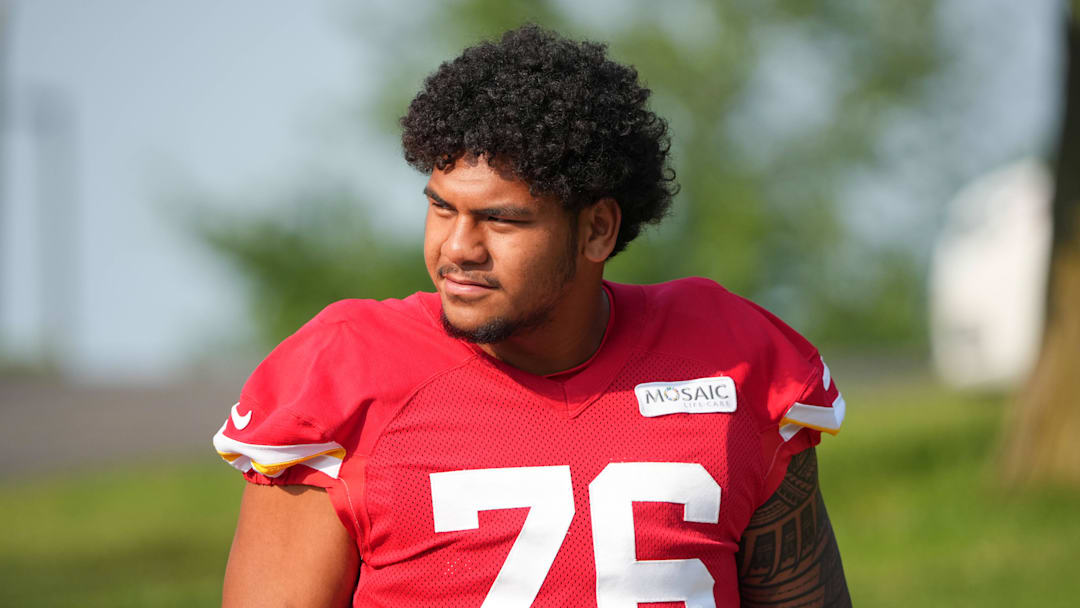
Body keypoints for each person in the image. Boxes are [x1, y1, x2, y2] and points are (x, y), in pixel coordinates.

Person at [213, 24, 850, 607]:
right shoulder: (344, 371)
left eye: (500, 218)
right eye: (442, 209)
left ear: (598, 229)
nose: (457, 248)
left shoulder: (733, 357)